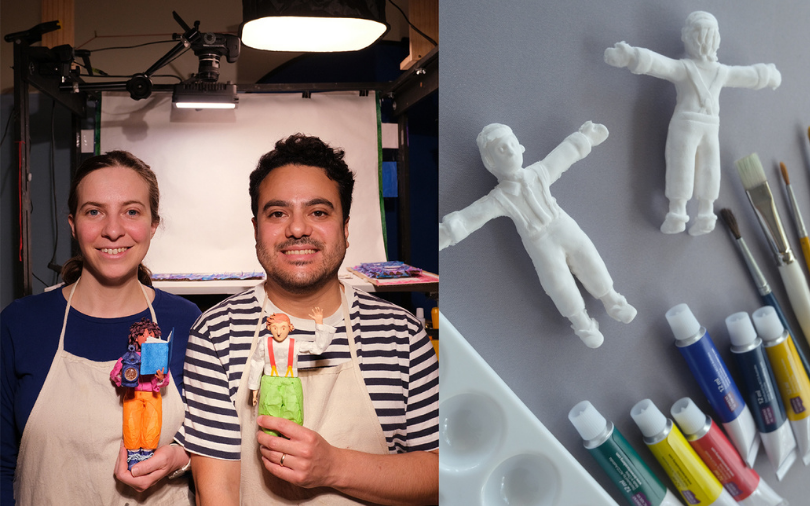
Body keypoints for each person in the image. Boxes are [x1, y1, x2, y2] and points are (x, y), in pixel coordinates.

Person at [175, 134, 439, 505]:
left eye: (318, 212)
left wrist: (334, 467)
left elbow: (442, 476)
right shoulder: (216, 333)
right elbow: (217, 491)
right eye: (277, 213)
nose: (297, 229)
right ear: (256, 229)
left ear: (345, 228)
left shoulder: (402, 335)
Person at [0, 151, 201, 505]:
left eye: (132, 212)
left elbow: (214, 452)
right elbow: (2, 464)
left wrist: (180, 458)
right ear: (73, 224)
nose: (113, 230)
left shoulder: (186, 322)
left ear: (153, 225)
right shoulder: (22, 323)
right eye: (94, 212)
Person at [439, 122, 636, 348]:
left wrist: (585, 138)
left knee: (589, 258)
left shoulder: (539, 172)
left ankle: (612, 300)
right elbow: (472, 216)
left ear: (520, 146)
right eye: (502, 149)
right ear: (491, 162)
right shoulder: (499, 198)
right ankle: (582, 323)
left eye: (512, 144)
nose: (510, 151)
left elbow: (562, 156)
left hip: (564, 226)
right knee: (557, 282)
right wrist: (446, 232)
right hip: (540, 242)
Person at [605, 10, 781, 236]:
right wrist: (768, 75)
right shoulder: (710, 70)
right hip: (702, 126)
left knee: (692, 165)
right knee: (697, 166)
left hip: (692, 125)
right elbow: (748, 75)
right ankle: (693, 213)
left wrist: (631, 56)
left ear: (688, 38)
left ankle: (688, 213)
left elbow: (659, 64)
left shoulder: (696, 69)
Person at [248, 310, 335, 436]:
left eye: (283, 328)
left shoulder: (295, 344)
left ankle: (290, 439)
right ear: (269, 328)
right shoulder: (264, 343)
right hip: (270, 382)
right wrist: (254, 387)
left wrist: (319, 324)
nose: (279, 332)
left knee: (293, 413)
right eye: (275, 327)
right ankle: (270, 441)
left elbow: (317, 348)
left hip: (291, 383)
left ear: (290, 328)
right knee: (269, 414)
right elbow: (257, 362)